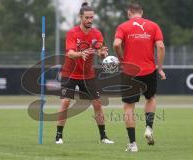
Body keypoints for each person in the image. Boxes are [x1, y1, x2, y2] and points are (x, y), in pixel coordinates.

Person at [55, 2, 114, 145]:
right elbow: (70, 53)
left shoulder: (97, 33)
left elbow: (100, 50)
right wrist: (80, 54)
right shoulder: (72, 33)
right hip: (70, 73)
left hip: (87, 75)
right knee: (65, 102)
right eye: (87, 18)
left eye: (92, 17)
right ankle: (58, 136)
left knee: (97, 104)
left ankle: (103, 137)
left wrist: (103, 54)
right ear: (80, 17)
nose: (90, 20)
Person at [113, 1, 166, 152]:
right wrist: (160, 68)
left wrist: (122, 59)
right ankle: (149, 128)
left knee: (129, 106)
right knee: (150, 98)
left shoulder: (123, 26)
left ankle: (133, 144)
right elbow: (161, 46)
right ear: (141, 12)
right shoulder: (153, 26)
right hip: (149, 70)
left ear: (129, 13)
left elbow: (116, 44)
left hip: (130, 71)